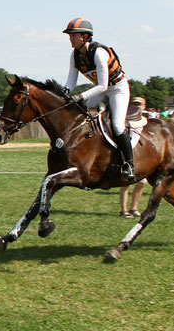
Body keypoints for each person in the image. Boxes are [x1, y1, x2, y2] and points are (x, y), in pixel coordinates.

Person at [62, 17, 134, 181]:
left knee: (117, 125)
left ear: (85, 36)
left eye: (74, 35)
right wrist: (63, 93)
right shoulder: (75, 55)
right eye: (70, 35)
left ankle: (129, 164)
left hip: (117, 89)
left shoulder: (99, 53)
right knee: (84, 118)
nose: (70, 38)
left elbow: (103, 85)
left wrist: (80, 96)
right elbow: (71, 82)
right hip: (101, 90)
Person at [118, 96, 147, 217]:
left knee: (142, 182)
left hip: (141, 155)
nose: (136, 106)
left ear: (144, 106)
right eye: (134, 104)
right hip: (128, 154)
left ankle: (134, 207)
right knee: (126, 183)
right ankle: (124, 209)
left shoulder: (145, 121)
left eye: (139, 104)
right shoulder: (125, 119)